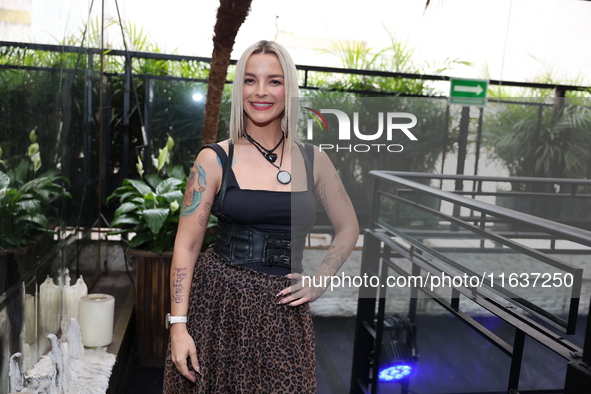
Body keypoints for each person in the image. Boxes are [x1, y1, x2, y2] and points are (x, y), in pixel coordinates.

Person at [162, 40, 359, 393]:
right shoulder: (214, 159)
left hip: (284, 314)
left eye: (274, 81)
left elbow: (348, 227)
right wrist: (178, 326)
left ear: (289, 89)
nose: (261, 92)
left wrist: (320, 280)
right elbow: (187, 245)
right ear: (239, 90)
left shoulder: (315, 161)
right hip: (219, 307)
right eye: (250, 80)